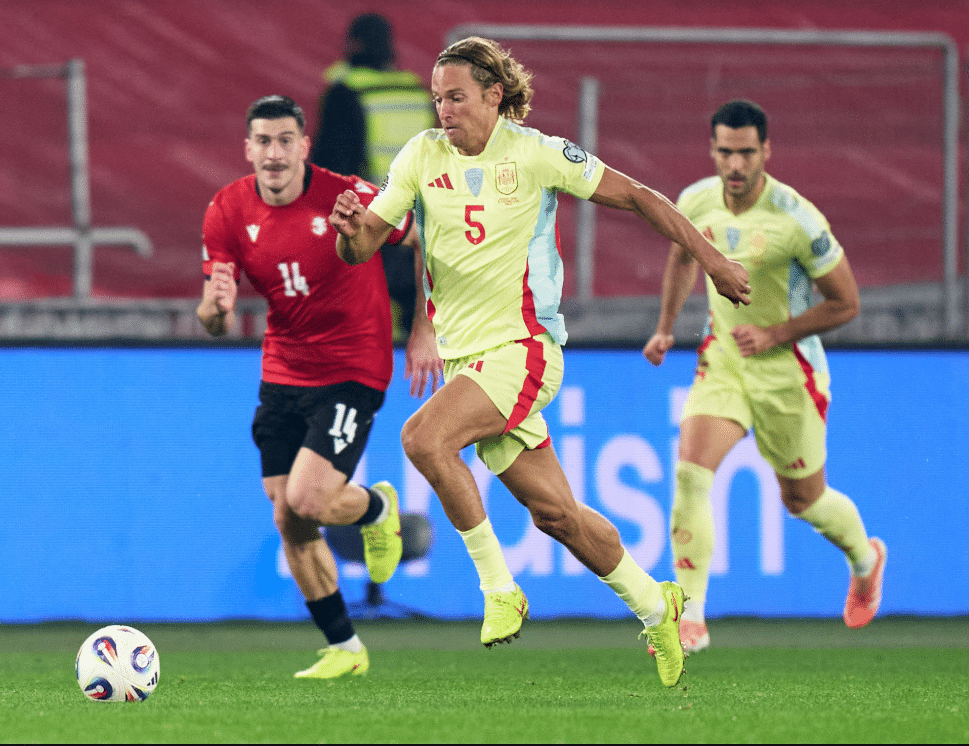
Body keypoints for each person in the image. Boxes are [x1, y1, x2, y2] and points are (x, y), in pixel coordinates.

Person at [328, 36, 751, 688]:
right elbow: (363, 249)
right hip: (470, 362)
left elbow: (639, 196)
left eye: (457, 97)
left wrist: (714, 261)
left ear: (494, 95)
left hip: (523, 350)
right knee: (557, 516)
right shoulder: (420, 155)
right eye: (437, 98)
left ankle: (498, 586)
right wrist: (347, 228)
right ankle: (654, 603)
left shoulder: (535, 154)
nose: (444, 110)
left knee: (423, 438)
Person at [197, 95, 443, 679]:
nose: (274, 153)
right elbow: (216, 317)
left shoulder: (347, 195)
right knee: (290, 517)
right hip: (282, 370)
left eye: (286, 140)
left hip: (354, 365)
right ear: (248, 148)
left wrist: (425, 328)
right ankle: (344, 649)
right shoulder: (227, 211)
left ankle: (378, 507)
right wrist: (213, 309)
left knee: (307, 499)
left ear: (304, 146)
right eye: (263, 141)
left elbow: (426, 235)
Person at [642, 99, 886, 654]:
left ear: (766, 152)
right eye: (725, 151)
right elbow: (684, 257)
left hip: (788, 373)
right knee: (690, 476)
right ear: (713, 150)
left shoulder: (798, 219)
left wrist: (775, 334)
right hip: (724, 359)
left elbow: (846, 303)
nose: (735, 164)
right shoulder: (696, 201)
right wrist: (664, 327)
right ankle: (690, 618)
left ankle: (866, 561)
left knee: (803, 500)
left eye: (746, 152)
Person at [312, 12, 436, 341]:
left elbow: (329, 170)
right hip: (421, 230)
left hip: (370, 227)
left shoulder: (346, 94)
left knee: (367, 330)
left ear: (353, 44)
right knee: (418, 331)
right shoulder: (419, 94)